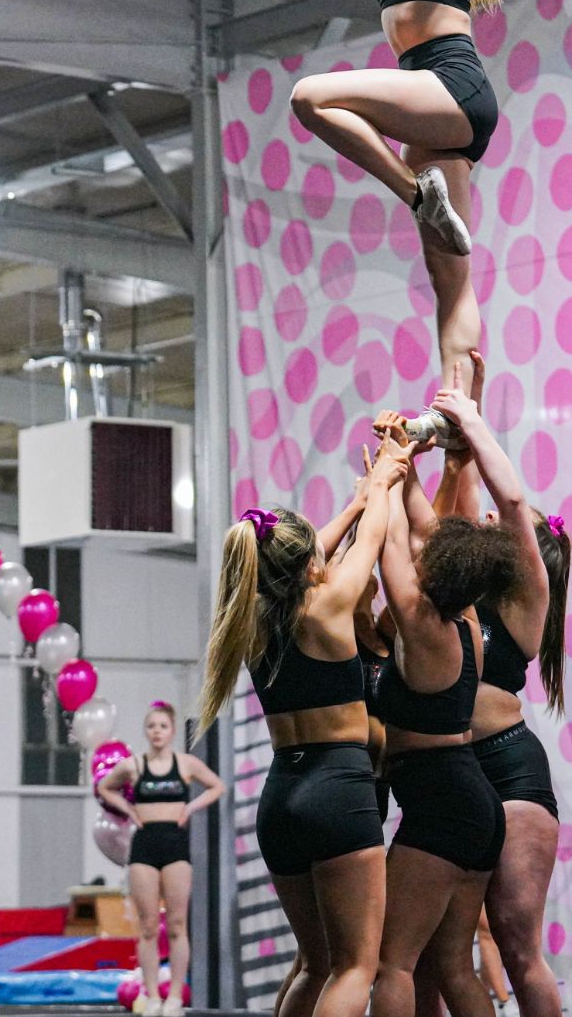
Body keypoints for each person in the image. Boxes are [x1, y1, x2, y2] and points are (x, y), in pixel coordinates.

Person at [291, 0, 511, 389]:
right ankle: (456, 404)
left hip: (451, 85)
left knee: (311, 97)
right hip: (429, 106)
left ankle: (416, 195)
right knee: (451, 277)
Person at [195, 432, 412, 1017]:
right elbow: (371, 539)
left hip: (281, 795)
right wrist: (388, 477)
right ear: (308, 563)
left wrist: (359, 497)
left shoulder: (248, 622)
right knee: (355, 966)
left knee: (315, 964)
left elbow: (304, 551)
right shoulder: (332, 603)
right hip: (337, 789)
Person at [368, 395, 518, 1017]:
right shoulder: (464, 625)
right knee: (454, 965)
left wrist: (386, 469)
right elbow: (416, 538)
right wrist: (409, 460)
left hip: (443, 805)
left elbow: (389, 548)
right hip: (469, 802)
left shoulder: (426, 628)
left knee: (391, 962)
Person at [96, 703, 224, 1017]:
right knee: (149, 926)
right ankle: (152, 996)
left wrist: (190, 809)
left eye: (163, 726)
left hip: (175, 845)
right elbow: (104, 787)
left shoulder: (186, 763)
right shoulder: (134, 765)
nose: (157, 732)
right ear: (146, 730)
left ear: (172, 731)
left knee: (178, 924)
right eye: (152, 726)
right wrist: (127, 810)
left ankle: (176, 997)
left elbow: (217, 785)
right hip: (144, 846)